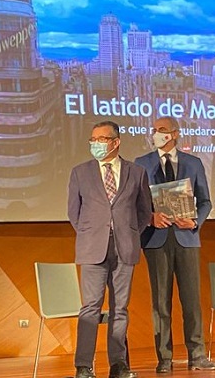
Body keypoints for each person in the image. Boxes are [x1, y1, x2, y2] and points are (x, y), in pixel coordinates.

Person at [68, 121, 152, 378]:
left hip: (124, 246)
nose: (96, 144)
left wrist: (126, 231)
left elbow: (144, 211)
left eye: (102, 139)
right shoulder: (80, 172)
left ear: (116, 142)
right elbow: (74, 213)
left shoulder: (136, 172)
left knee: (120, 308)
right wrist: (94, 233)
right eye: (93, 139)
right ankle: (84, 366)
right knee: (90, 307)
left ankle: (118, 364)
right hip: (92, 247)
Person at [134, 116, 215, 373]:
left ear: (174, 134)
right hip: (155, 239)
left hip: (186, 237)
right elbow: (134, 202)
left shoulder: (193, 163)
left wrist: (193, 222)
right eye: (155, 130)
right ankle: (165, 358)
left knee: (192, 299)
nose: (157, 134)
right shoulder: (141, 163)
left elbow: (205, 201)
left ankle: (197, 354)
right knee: (160, 301)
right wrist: (150, 216)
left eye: (162, 130)